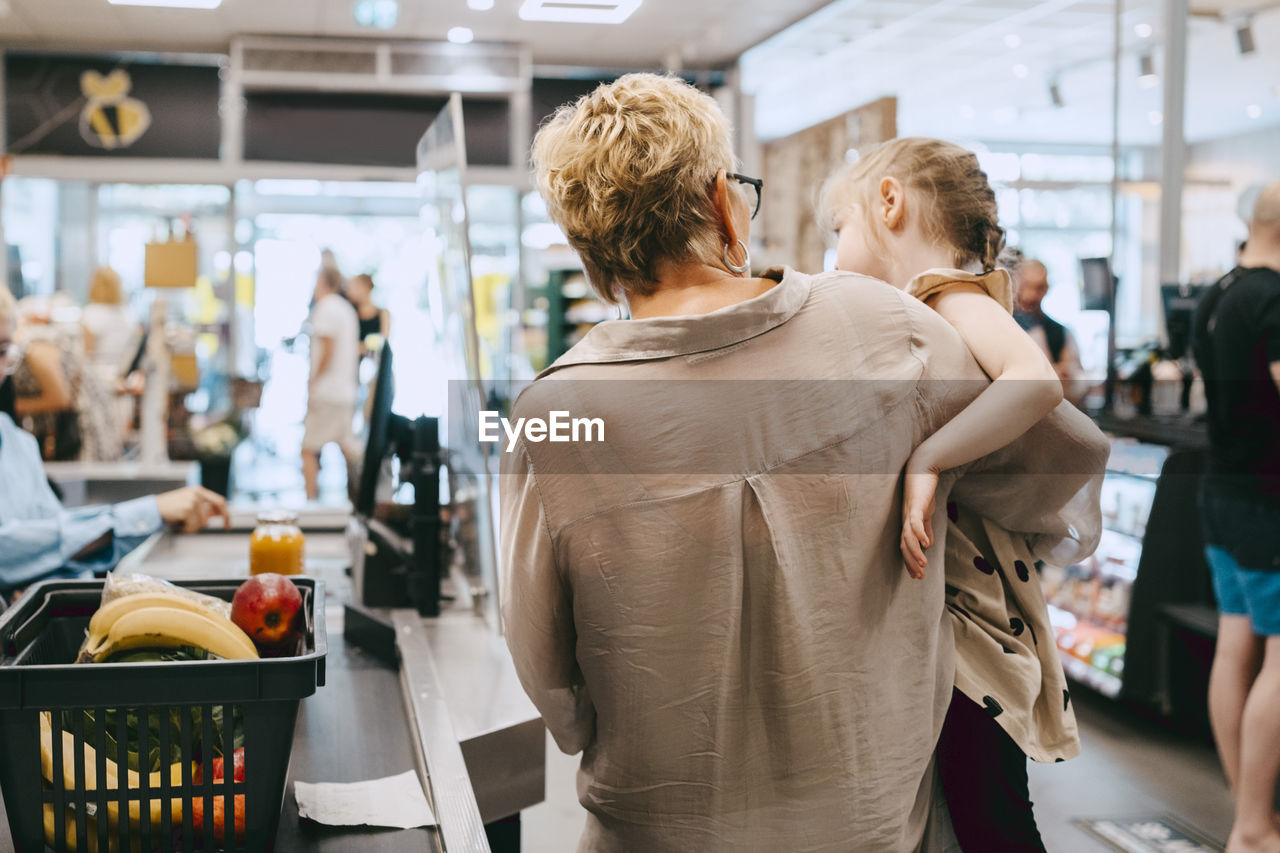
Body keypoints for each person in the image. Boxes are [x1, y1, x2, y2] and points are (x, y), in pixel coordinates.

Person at [500, 73, 1106, 852]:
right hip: (867, 820)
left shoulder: (552, 418)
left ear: (591, 254)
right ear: (725, 203)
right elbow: (1062, 460)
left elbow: (548, 674)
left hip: (655, 826)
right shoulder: (886, 328)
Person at [819, 138, 1087, 852]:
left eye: (839, 228)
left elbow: (1035, 380)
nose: (837, 249)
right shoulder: (926, 308)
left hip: (973, 621)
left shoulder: (949, 295)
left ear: (889, 203)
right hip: (963, 611)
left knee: (989, 813)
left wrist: (929, 459)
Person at [0, 285, 228, 597]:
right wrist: (150, 513)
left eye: (4, 353)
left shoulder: (14, 441)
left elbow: (53, 538)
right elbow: (11, 550)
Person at [1194, 179, 1280, 853]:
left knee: (1234, 645)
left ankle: (1247, 812)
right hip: (1269, 499)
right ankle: (1254, 824)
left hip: (1220, 487)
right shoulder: (1274, 297)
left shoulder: (1220, 291)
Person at [13, 300, 123, 462]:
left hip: (82, 420)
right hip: (72, 421)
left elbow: (60, 398)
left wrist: (17, 406)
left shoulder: (33, 349)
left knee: (84, 480)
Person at [302, 265, 360, 501]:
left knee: (308, 449)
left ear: (323, 282)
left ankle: (310, 504)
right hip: (345, 390)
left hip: (329, 391)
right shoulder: (346, 308)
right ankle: (360, 498)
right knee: (346, 446)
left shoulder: (325, 308)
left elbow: (327, 350)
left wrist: (312, 382)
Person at [1013, 258, 1088, 405]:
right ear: (1016, 285)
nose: (1031, 295)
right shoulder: (1006, 325)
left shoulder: (1060, 331)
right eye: (1026, 286)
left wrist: (1068, 373)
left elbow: (1077, 373)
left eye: (1039, 288)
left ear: (1047, 289)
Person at [81, 266, 140, 385]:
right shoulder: (129, 314)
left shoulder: (90, 314)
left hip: (98, 378)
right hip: (124, 376)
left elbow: (88, 354)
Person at [347, 273, 390, 358]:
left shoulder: (383, 314)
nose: (350, 291)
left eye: (355, 287)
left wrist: (358, 347)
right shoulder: (350, 314)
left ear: (366, 287)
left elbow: (382, 340)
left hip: (377, 365)